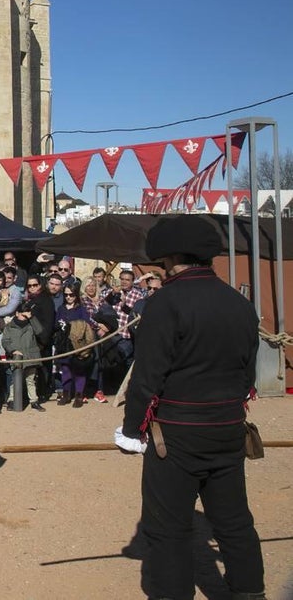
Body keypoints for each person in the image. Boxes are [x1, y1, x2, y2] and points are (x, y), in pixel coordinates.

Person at [118, 215, 266, 600]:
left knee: (169, 529)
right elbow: (247, 376)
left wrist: (132, 431)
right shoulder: (238, 302)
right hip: (229, 428)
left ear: (168, 257)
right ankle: (251, 594)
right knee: (234, 523)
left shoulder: (164, 302)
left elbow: (148, 379)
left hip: (177, 435)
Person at [0, 301, 44, 412]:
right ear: (17, 313)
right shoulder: (9, 327)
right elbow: (5, 341)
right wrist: (13, 350)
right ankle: (11, 400)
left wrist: (32, 317)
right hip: (16, 357)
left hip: (31, 356)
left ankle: (34, 401)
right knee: (14, 381)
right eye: (23, 314)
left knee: (31, 380)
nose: (24, 317)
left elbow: (40, 331)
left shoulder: (31, 324)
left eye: (26, 314)